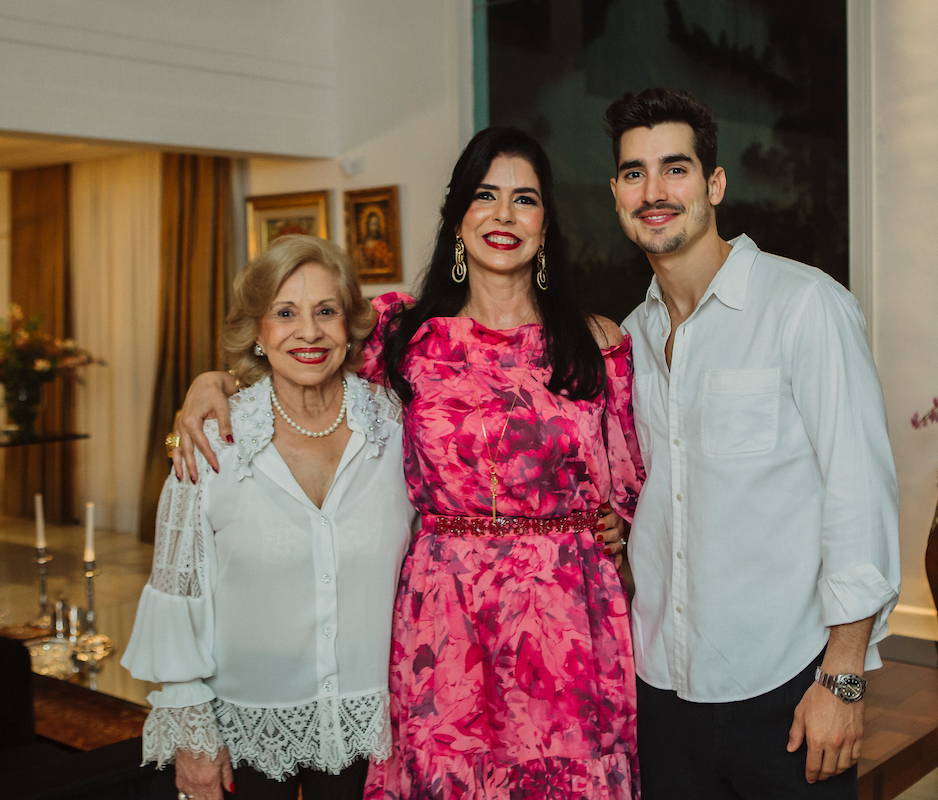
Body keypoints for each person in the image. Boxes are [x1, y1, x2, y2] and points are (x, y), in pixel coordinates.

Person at [172, 127, 643, 799]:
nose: (503, 215)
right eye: (485, 195)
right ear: (457, 216)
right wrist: (210, 384)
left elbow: (629, 491)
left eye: (524, 200)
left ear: (546, 224)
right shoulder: (402, 336)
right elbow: (300, 370)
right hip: (440, 624)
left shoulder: (596, 345)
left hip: (563, 625)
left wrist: (619, 536)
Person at [605, 88, 900, 798]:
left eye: (675, 169)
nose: (654, 191)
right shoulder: (631, 338)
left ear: (714, 183)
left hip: (788, 690)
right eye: (633, 172)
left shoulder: (805, 307)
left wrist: (844, 681)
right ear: (615, 191)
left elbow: (859, 498)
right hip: (660, 691)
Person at [122, 235, 415, 800]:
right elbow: (180, 592)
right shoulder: (212, 445)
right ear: (257, 331)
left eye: (326, 311)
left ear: (350, 324)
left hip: (376, 727)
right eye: (285, 313)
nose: (309, 332)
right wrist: (195, 740)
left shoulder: (395, 426)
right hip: (249, 735)